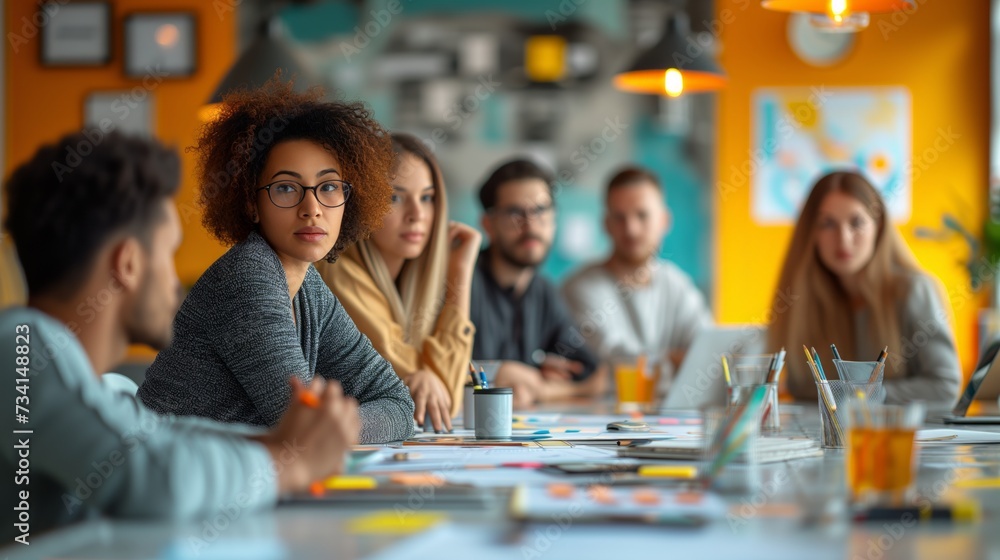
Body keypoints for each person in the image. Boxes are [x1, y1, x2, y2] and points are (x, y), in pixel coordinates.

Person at [0, 131, 359, 538]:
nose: (175, 283)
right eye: (168, 254)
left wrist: (288, 441)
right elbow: (158, 478)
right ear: (129, 263)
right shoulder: (21, 349)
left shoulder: (63, 370)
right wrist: (291, 462)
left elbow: (164, 437)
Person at [137, 79, 414, 442]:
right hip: (171, 481)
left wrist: (336, 424)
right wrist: (335, 423)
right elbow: (304, 426)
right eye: (286, 188)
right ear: (252, 203)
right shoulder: (247, 278)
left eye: (329, 187)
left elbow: (397, 403)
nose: (311, 209)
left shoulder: (308, 287)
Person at [317, 133, 481, 432]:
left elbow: (443, 401)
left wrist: (460, 268)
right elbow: (443, 400)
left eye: (427, 198)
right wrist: (460, 277)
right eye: (395, 197)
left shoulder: (406, 283)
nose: (417, 215)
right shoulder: (335, 272)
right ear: (362, 204)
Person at [766, 170, 961, 406]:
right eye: (827, 223)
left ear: (878, 228)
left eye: (856, 222)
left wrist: (865, 396)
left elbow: (945, 387)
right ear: (811, 233)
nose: (843, 239)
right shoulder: (802, 299)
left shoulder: (914, 291)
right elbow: (803, 387)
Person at [562, 167, 712, 390]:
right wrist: (675, 361)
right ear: (606, 224)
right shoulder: (580, 288)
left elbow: (708, 353)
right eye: (619, 217)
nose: (631, 229)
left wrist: (676, 363)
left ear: (665, 221)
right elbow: (618, 363)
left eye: (642, 215)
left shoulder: (678, 284)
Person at [470, 159, 599, 408]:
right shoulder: (460, 282)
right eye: (514, 213)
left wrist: (539, 387)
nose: (530, 225)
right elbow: (427, 369)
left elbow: (594, 376)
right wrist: (501, 373)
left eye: (540, 210)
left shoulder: (544, 292)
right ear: (489, 224)